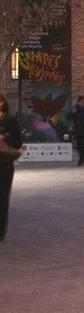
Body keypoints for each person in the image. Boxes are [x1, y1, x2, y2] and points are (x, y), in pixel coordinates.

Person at [0, 94, 23, 241]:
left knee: (2, 197)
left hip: (4, 164)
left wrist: (4, 137)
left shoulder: (10, 120)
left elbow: (17, 142)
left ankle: (0, 231)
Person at [71, 96, 84, 166]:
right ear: (78, 102)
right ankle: (81, 158)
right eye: (82, 102)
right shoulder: (74, 108)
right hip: (77, 129)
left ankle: (82, 158)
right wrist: (72, 113)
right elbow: (68, 117)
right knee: (79, 145)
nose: (83, 103)